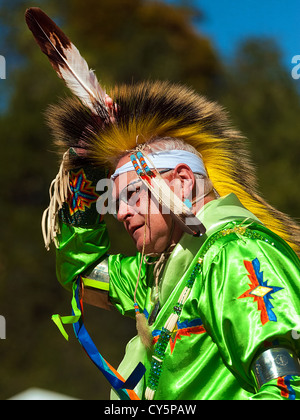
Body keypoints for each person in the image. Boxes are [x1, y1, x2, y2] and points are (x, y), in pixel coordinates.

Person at [26, 7, 300, 400]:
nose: (119, 212)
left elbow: (286, 388)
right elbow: (82, 279)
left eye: (131, 195)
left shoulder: (236, 253)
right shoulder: (157, 273)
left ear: (183, 181)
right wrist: (84, 183)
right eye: (114, 200)